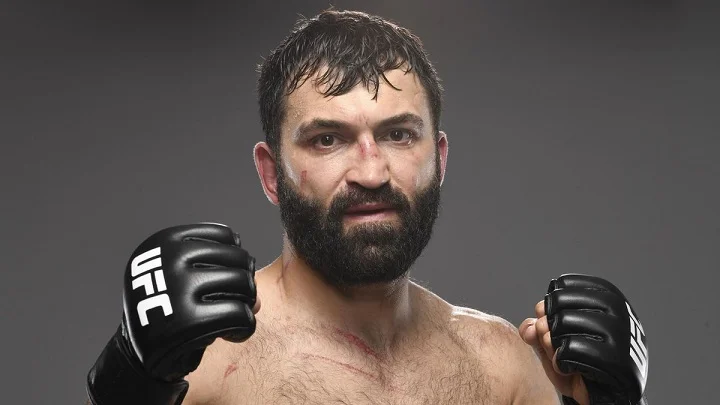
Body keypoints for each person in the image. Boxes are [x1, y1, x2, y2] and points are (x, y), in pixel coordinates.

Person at [86, 9, 648, 405]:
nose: (372, 172)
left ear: (439, 158)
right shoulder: (205, 365)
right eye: (327, 140)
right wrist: (128, 383)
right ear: (271, 173)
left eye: (399, 135)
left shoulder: (500, 366)